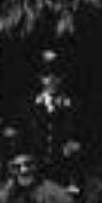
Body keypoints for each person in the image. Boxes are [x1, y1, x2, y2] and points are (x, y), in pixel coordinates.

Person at [20, 49, 82, 190]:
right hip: (36, 174)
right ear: (40, 78)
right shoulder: (29, 106)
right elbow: (22, 138)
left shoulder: (74, 106)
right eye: (46, 75)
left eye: (57, 75)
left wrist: (77, 145)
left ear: (63, 77)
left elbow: (85, 137)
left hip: (66, 175)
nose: (51, 80)